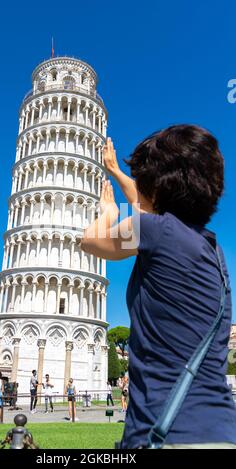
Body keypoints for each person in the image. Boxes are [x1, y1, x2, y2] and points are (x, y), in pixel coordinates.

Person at [81, 127, 236, 449]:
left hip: (166, 431)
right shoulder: (210, 247)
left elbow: (92, 243)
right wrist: (115, 172)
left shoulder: (149, 229)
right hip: (218, 430)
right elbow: (145, 205)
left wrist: (107, 213)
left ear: (154, 186)